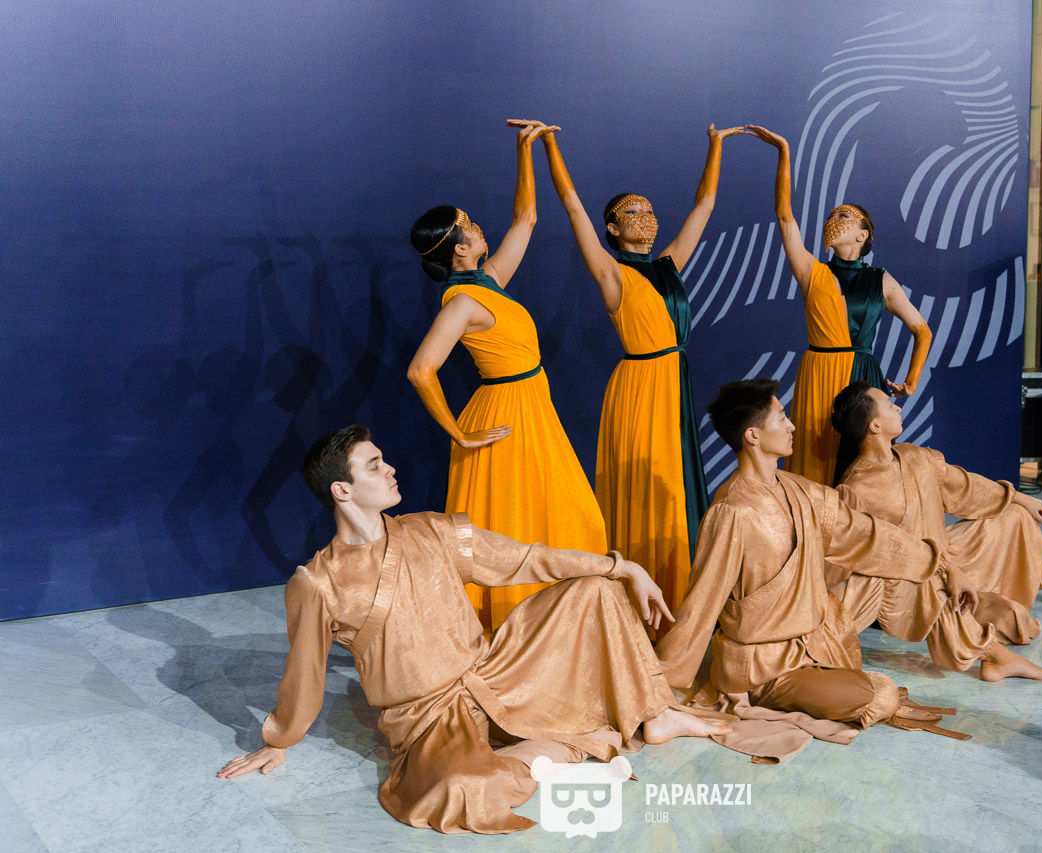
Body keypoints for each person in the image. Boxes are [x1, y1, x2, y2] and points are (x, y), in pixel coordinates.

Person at [217, 425, 729, 834]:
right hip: (428, 715)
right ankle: (564, 749)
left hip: (496, 673)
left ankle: (657, 713)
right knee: (463, 789)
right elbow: (305, 673)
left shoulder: (433, 530)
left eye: (383, 459)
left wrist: (621, 567)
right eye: (374, 465)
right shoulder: (316, 582)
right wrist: (280, 740)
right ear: (342, 490)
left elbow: (527, 559)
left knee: (595, 590)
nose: (390, 468)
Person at [654, 379, 975, 753]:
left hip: (812, 648)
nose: (791, 425)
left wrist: (942, 566)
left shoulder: (801, 491)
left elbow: (867, 535)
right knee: (882, 695)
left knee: (872, 680)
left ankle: (800, 696)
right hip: (761, 669)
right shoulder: (731, 512)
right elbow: (701, 602)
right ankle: (761, 702)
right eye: (781, 417)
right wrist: (657, 687)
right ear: (753, 436)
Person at [535, 122, 745, 613]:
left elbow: (704, 205)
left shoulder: (669, 263)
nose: (646, 218)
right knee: (651, 489)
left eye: (649, 211)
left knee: (676, 487)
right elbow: (572, 206)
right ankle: (640, 596)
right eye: (633, 212)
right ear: (612, 228)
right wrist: (549, 144)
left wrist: (715, 147)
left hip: (673, 382)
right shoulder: (612, 273)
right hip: (641, 387)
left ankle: (686, 594)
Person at [406, 120, 606, 630]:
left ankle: (555, 622)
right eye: (469, 225)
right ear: (459, 247)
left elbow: (526, 217)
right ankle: (516, 626)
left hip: (532, 407)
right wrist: (457, 432)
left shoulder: (490, 280)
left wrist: (525, 149)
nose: (479, 228)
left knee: (565, 515)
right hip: (507, 417)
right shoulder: (462, 302)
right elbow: (421, 370)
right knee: (516, 517)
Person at [826, 382, 1042, 679]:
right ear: (875, 425)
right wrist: (945, 569)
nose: (898, 408)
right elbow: (868, 558)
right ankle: (995, 656)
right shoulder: (855, 488)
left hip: (949, 555)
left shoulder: (915, 456)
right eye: (890, 406)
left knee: (1014, 514)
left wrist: (1020, 497)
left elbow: (966, 487)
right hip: (909, 581)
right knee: (950, 592)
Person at [745, 125, 933, 487]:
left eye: (844, 216)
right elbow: (784, 216)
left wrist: (911, 382)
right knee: (816, 462)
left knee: (862, 470)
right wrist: (784, 152)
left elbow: (922, 330)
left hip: (862, 377)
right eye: (832, 215)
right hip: (817, 372)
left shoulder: (881, 280)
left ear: (863, 235)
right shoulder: (810, 270)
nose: (834, 220)